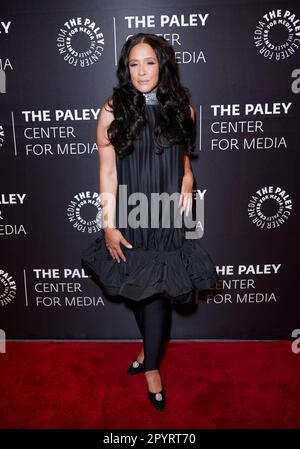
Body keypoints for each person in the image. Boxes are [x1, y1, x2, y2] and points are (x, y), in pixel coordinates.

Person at [81, 33, 219, 411]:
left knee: (157, 295)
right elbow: (108, 172)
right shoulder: (113, 110)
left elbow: (183, 154)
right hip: (133, 212)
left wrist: (188, 176)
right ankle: (150, 353)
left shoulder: (183, 108)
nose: (142, 71)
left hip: (167, 214)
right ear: (126, 68)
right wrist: (109, 224)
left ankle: (151, 365)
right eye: (134, 64)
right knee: (142, 291)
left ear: (164, 64)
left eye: (150, 62)